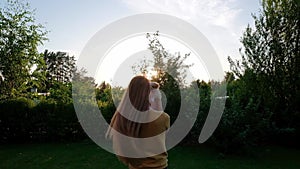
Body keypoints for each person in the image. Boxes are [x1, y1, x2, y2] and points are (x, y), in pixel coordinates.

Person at [106, 76, 170, 169]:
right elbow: (161, 124)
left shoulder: (122, 118)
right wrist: (157, 97)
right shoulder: (163, 118)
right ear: (148, 93)